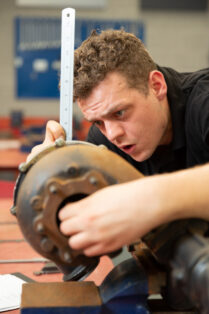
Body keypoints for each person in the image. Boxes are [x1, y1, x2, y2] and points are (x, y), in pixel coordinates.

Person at [28, 29, 209, 257]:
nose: (112, 134)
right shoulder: (105, 140)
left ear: (156, 86)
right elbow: (69, 221)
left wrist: (145, 199)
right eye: (98, 122)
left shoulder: (204, 103)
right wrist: (41, 177)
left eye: (120, 112)